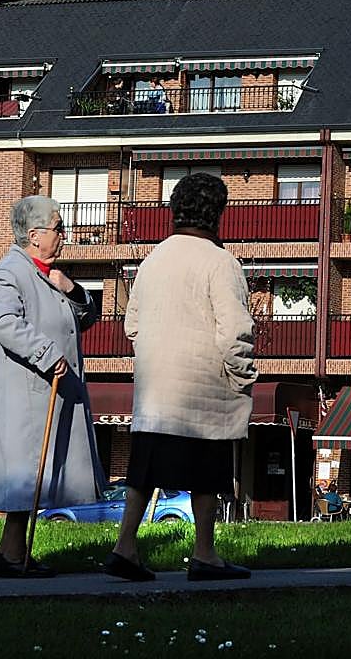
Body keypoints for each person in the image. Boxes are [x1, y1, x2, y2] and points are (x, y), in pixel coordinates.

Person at [105, 173, 257, 582]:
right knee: (207, 475)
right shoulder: (221, 263)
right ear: (218, 213)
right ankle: (205, 554)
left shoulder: (152, 261)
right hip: (204, 390)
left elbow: (132, 326)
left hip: (155, 391)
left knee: (143, 472)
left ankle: (125, 546)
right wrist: (243, 377)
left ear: (175, 210)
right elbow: (234, 331)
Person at [0, 196, 104, 578]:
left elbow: (86, 318)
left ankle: (11, 554)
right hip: (27, 398)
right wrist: (47, 353)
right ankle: (12, 557)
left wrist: (72, 289)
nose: (64, 235)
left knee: (34, 481)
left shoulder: (48, 276)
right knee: (27, 479)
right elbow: (4, 323)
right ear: (34, 235)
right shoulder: (7, 275)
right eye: (58, 228)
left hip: (51, 392)